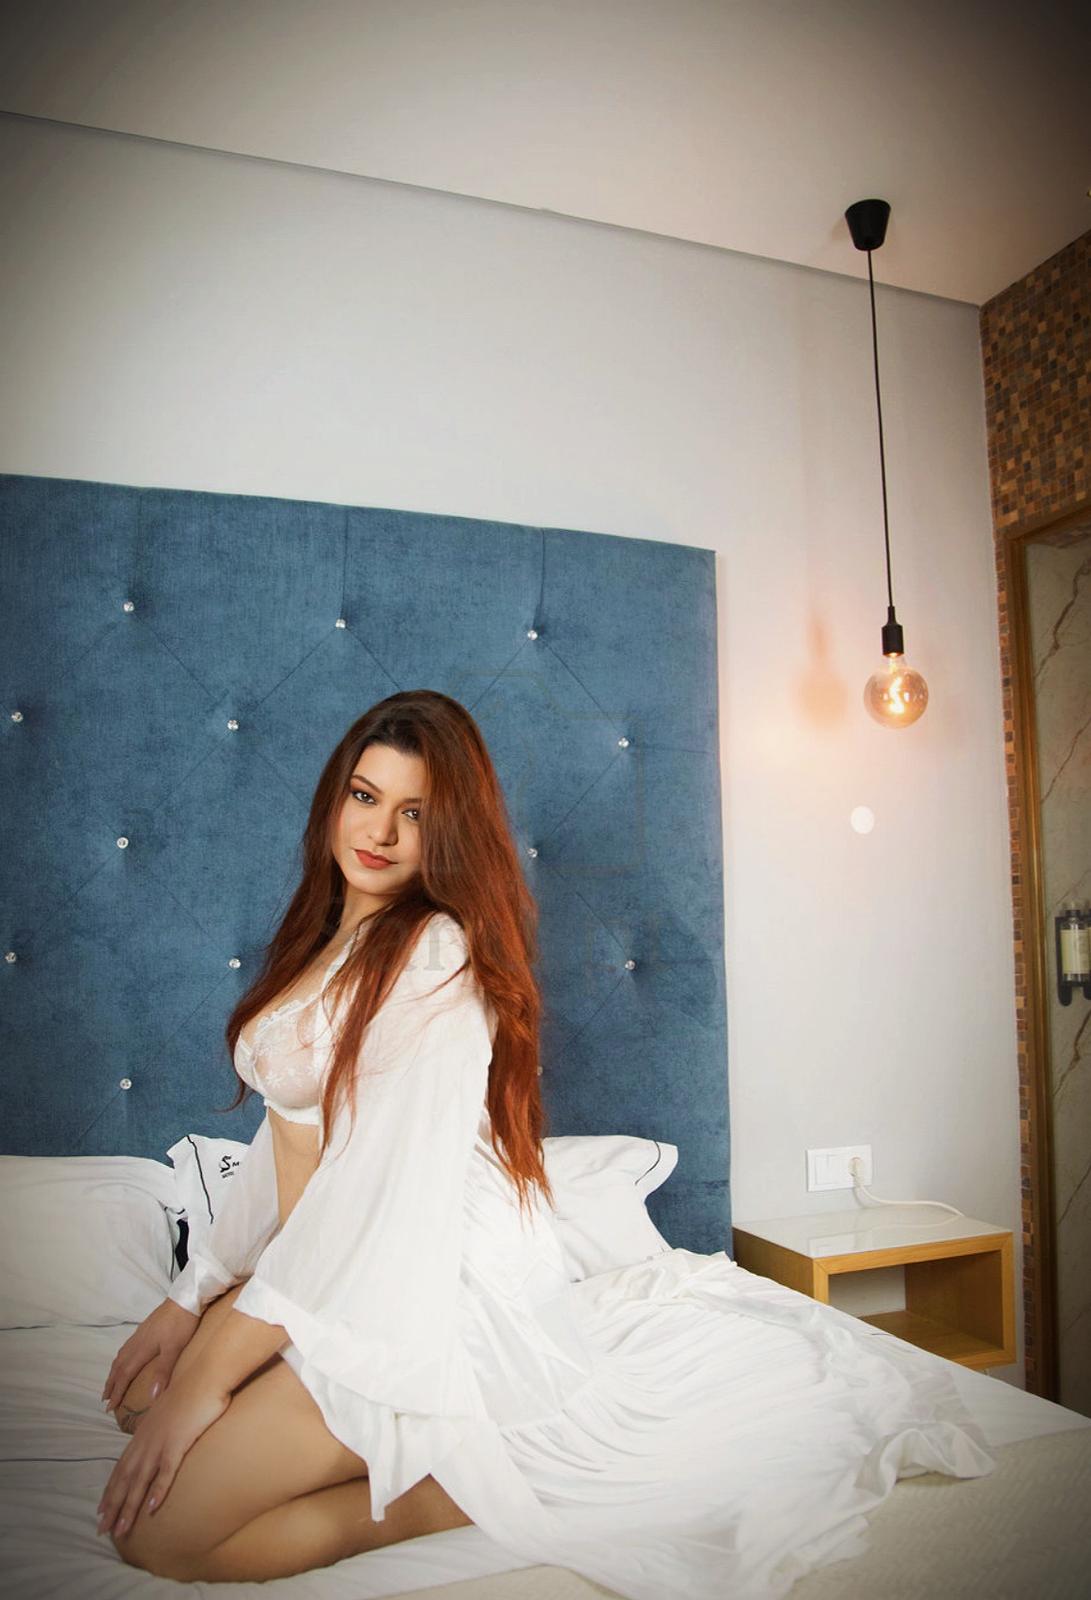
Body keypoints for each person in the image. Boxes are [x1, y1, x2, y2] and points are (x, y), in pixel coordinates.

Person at [96, 689, 594, 1582]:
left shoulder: (435, 955)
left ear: (450, 833)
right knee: (139, 1398)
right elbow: (282, 1140)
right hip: (324, 1259)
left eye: (416, 813)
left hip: (406, 1285)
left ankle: (441, 1493)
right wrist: (194, 1293)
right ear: (336, 795)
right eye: (365, 796)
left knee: (156, 1536)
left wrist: (212, 1375)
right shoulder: (326, 936)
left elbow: (372, 1196)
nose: (380, 832)